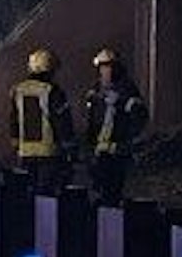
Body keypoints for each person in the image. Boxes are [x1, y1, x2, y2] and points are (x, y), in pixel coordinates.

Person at [82, 46, 149, 206]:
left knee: (112, 193)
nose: (107, 71)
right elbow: (91, 121)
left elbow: (139, 116)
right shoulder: (95, 91)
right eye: (103, 67)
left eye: (109, 67)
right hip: (98, 153)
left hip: (117, 153)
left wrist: (128, 141)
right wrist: (88, 147)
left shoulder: (126, 89)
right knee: (98, 192)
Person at [9, 47, 78, 194]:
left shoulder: (18, 90)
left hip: (25, 153)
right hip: (49, 153)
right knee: (47, 195)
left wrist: (15, 143)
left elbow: (13, 119)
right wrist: (70, 148)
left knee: (29, 193)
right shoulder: (52, 91)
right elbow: (62, 122)